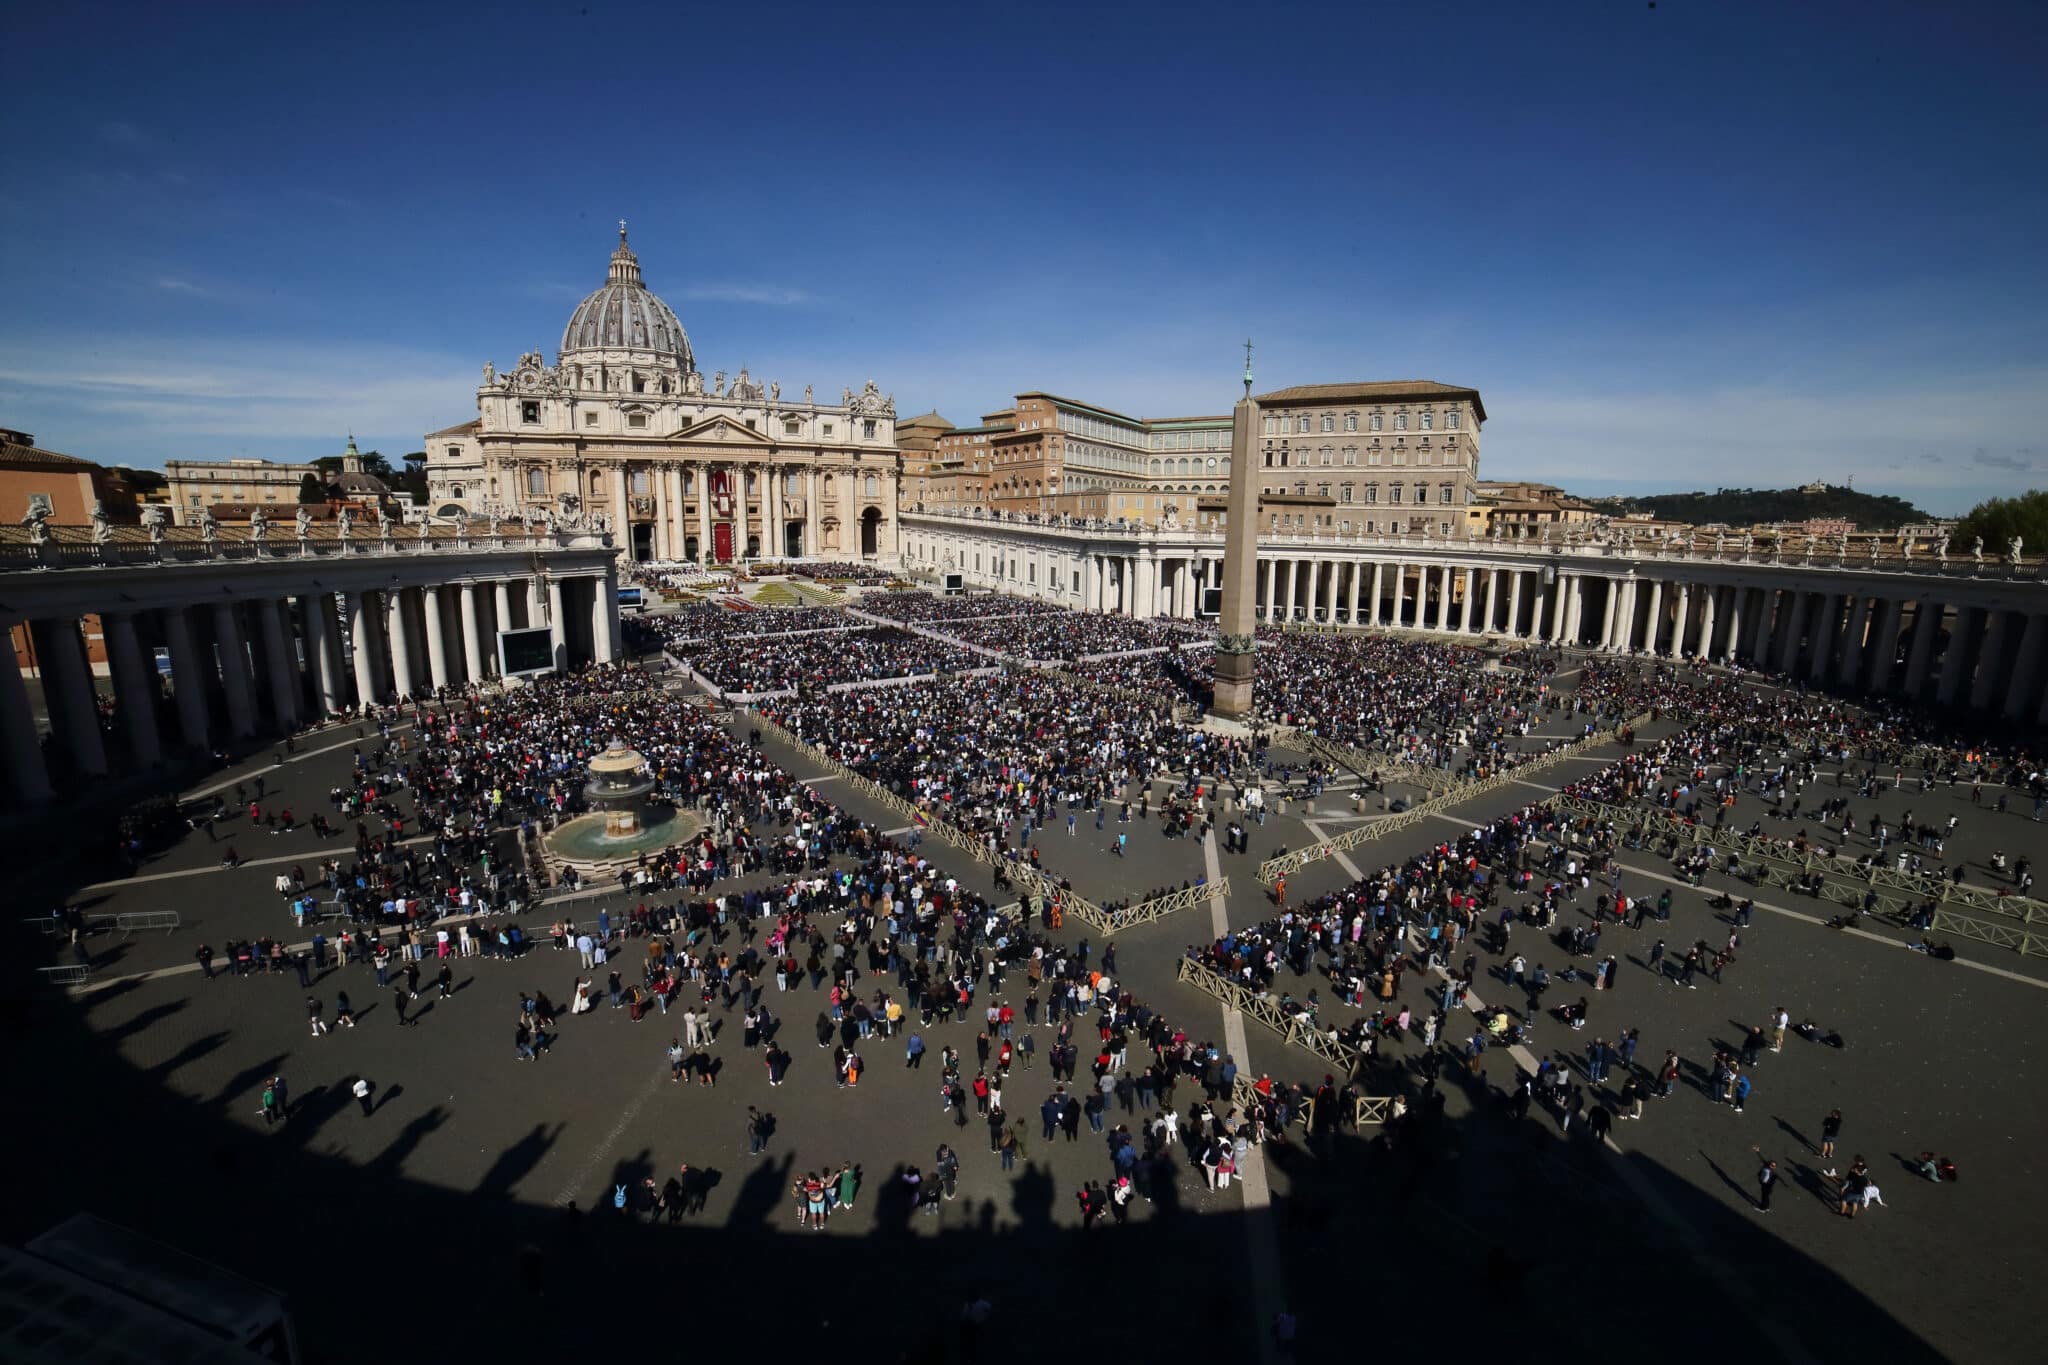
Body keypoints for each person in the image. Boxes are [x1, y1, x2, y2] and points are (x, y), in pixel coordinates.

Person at [1752, 1146, 1776, 1212]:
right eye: (1772, 1164)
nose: (1772, 1166)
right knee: (1766, 1197)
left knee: (1764, 1197)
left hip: (1766, 1185)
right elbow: (1762, 1158)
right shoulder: (1767, 1165)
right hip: (1764, 1184)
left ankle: (1762, 1208)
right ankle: (1767, 1207)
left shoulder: (1772, 1173)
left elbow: (1772, 1182)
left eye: (1774, 1166)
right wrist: (1757, 1151)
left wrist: (1769, 1188)